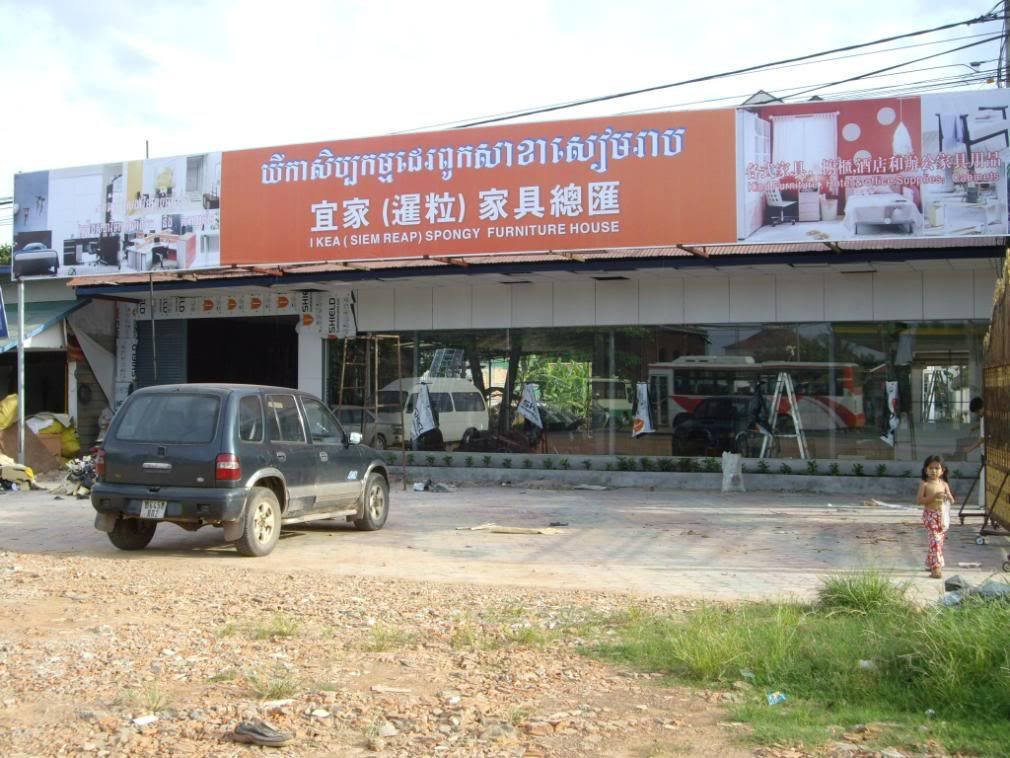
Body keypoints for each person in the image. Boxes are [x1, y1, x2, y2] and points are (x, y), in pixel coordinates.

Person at [916, 455, 955, 579]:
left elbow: (951, 498)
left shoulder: (944, 484)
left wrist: (949, 497)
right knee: (935, 539)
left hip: (941, 515)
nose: (934, 471)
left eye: (937, 468)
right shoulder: (925, 484)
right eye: (931, 468)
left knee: (939, 540)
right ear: (926, 470)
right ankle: (936, 567)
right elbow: (919, 500)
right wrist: (933, 496)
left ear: (943, 470)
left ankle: (930, 561)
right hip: (930, 515)